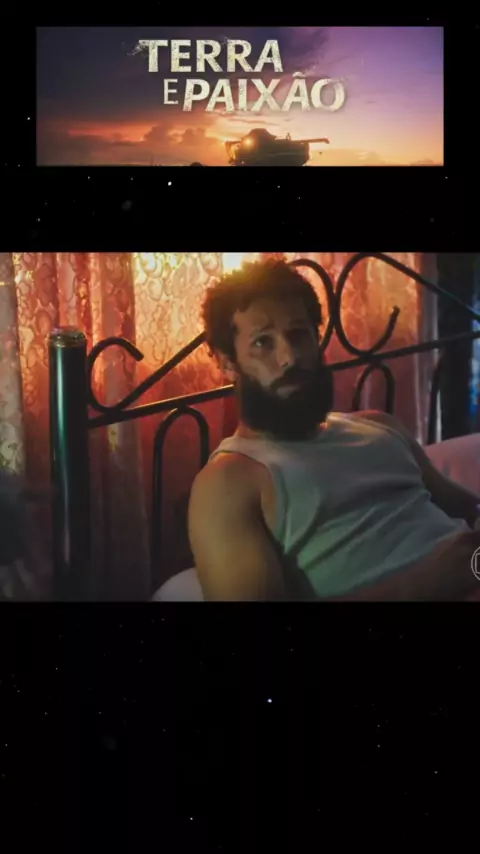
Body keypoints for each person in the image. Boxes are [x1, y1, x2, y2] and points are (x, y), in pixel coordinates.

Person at [187, 259, 480, 601]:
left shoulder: (379, 426)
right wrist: (423, 584)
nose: (289, 357)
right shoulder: (229, 481)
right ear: (227, 363)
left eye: (299, 334)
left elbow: (467, 509)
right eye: (263, 343)